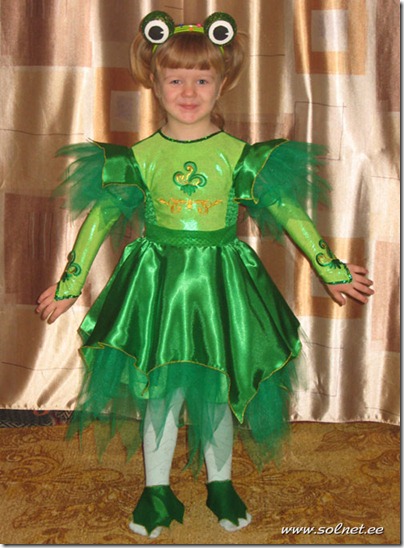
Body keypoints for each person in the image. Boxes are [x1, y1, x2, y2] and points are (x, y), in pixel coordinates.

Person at [36, 11, 374, 538]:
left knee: (217, 392)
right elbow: (100, 217)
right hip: (157, 288)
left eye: (202, 79)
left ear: (222, 83)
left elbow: (286, 211)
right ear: (155, 83)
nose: (188, 92)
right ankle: (156, 489)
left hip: (221, 287)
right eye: (175, 80)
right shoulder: (140, 158)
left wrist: (328, 266)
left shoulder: (239, 157)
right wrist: (70, 283)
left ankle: (220, 482)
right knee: (160, 394)